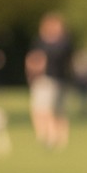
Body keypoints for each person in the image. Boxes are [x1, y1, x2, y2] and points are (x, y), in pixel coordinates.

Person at [25, 12, 74, 150]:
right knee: (40, 109)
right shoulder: (39, 41)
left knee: (56, 110)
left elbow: (61, 58)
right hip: (43, 79)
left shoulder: (65, 42)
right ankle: (44, 135)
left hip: (58, 79)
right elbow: (33, 58)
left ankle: (58, 138)